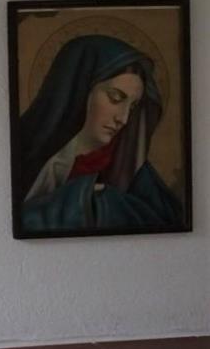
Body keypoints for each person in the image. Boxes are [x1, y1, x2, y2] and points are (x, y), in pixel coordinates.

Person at [19, 34, 183, 233]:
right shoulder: (24, 158)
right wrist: (81, 195)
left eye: (132, 107)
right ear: (80, 89)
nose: (123, 119)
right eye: (115, 98)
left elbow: (168, 223)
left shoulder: (133, 168)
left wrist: (104, 200)